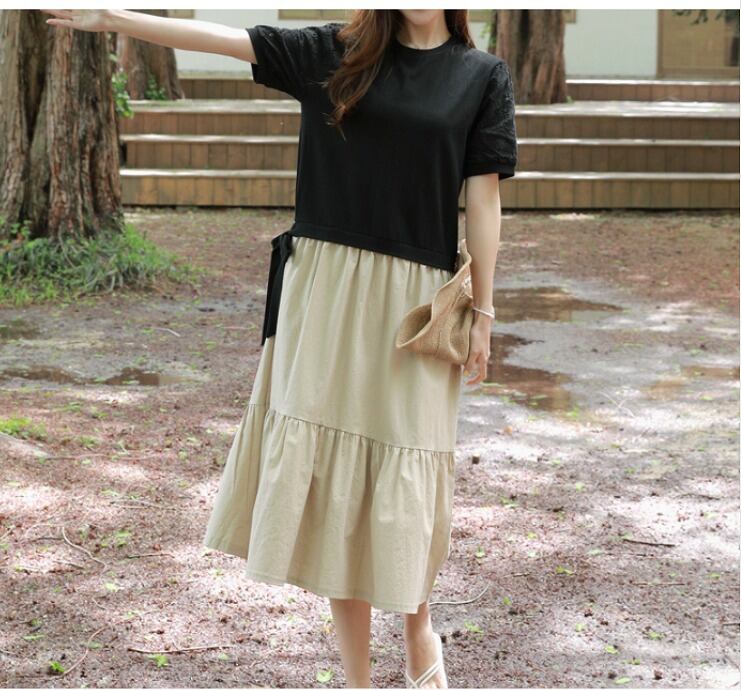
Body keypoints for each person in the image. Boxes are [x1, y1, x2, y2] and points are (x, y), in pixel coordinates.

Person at [42, 8, 518, 688]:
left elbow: (483, 201)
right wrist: (112, 16)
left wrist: (485, 312)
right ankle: (357, 681)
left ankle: (417, 623)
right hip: (322, 291)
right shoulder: (334, 53)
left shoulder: (481, 77)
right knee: (332, 483)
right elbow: (220, 39)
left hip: (416, 302)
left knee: (406, 472)